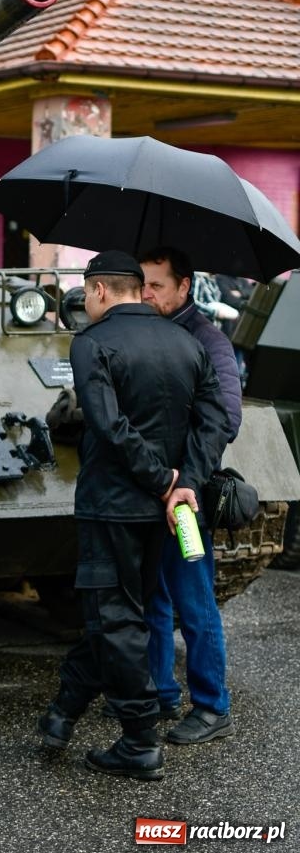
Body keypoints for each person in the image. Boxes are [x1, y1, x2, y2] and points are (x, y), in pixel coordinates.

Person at [38, 250, 229, 780]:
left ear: (99, 290)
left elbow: (107, 423)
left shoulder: (92, 342)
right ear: (138, 288)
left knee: (115, 618)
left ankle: (139, 739)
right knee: (123, 614)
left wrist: (160, 478)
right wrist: (183, 481)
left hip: (113, 507)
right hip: (164, 513)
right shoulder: (188, 342)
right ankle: (64, 711)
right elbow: (213, 423)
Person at [139, 246, 242, 745]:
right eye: (142, 284)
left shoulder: (209, 341)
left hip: (188, 501)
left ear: (184, 287)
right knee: (152, 597)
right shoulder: (145, 330)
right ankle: (160, 691)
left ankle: (212, 706)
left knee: (194, 600)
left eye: (156, 285)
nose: (146, 293)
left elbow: (226, 419)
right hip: (151, 490)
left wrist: (186, 480)